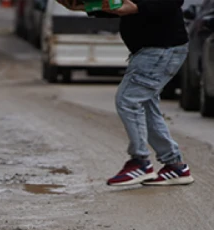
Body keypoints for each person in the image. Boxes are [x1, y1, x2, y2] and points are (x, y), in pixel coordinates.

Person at [57, 0, 193, 187]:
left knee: (128, 99)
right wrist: (85, 6)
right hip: (153, 50)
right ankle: (175, 166)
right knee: (145, 106)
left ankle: (140, 161)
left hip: (161, 49)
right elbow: (120, 5)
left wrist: (137, 8)